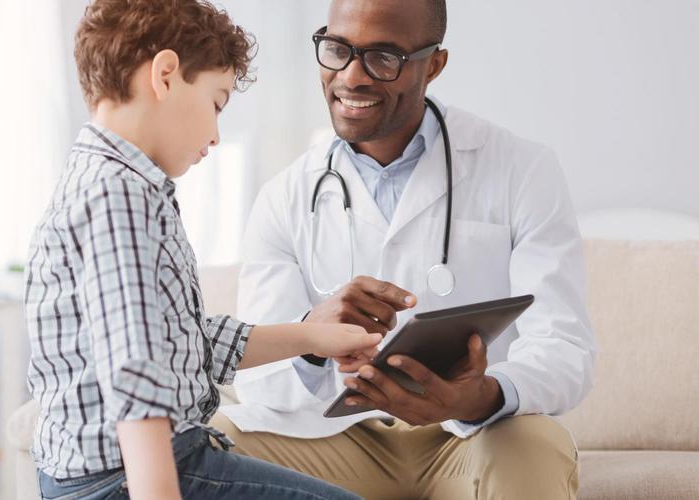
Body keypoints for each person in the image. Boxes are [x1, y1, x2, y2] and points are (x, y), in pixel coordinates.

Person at [212, 0, 597, 498]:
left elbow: (565, 348)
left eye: (384, 57)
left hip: (467, 436)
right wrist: (310, 339)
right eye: (337, 49)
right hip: (338, 442)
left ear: (433, 65)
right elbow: (260, 384)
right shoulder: (284, 196)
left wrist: (478, 396)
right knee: (213, 444)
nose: (352, 76)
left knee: (536, 444)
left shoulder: (521, 170)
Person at [25, 1, 380, 498]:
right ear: (166, 75)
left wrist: (312, 338)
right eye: (217, 102)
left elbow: (184, 342)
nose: (215, 136)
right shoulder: (117, 196)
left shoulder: (110, 185)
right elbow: (136, 374)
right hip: (127, 478)